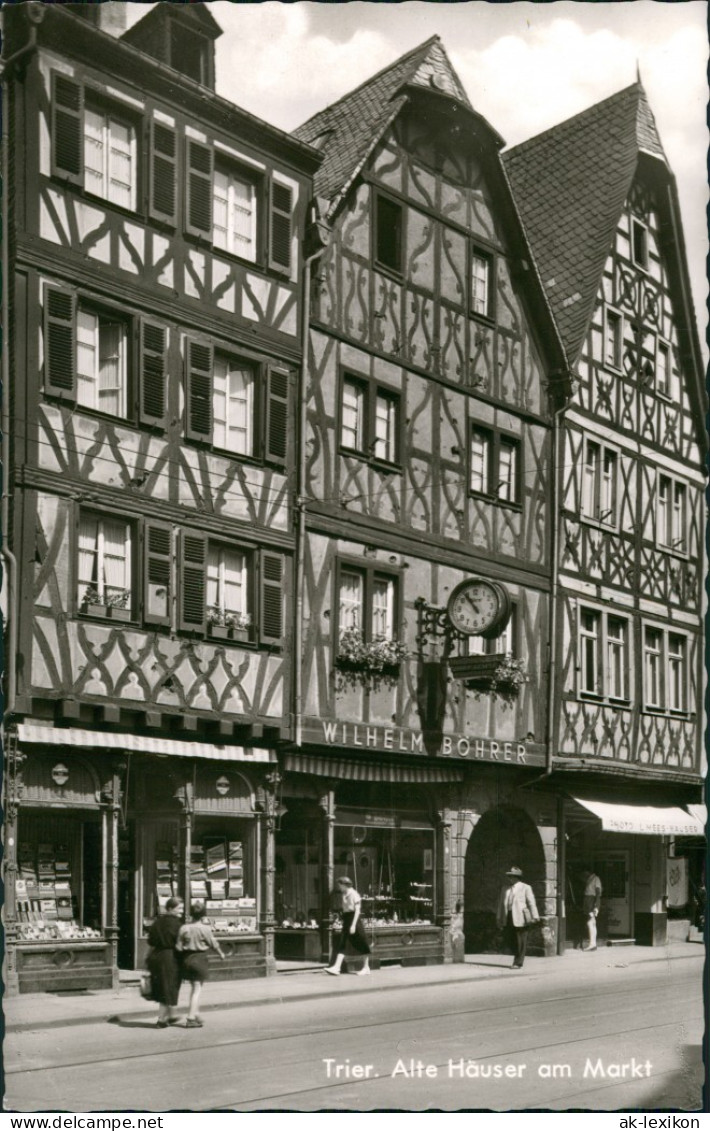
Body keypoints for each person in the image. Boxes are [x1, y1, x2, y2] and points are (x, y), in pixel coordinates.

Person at [176, 901, 225, 1027]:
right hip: (200, 959)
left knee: (193, 987)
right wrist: (221, 954)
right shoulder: (205, 929)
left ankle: (196, 1013)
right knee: (197, 989)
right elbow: (213, 944)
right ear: (203, 915)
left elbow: (178, 947)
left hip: (186, 959)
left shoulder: (184, 928)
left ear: (191, 914)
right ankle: (191, 1018)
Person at [146, 896, 184, 1028]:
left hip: (157, 956)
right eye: (179, 908)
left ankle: (168, 1016)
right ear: (170, 908)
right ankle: (163, 1019)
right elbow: (180, 943)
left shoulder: (157, 922)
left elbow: (150, 941)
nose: (181, 911)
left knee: (164, 987)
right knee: (169, 987)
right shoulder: (177, 924)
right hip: (170, 958)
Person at [325, 876, 371, 976]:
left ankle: (366, 967)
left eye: (340, 885)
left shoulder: (354, 894)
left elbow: (357, 910)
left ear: (345, 885)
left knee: (362, 942)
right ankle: (336, 967)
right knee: (343, 943)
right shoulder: (344, 894)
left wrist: (353, 925)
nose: (339, 887)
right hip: (347, 919)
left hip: (354, 919)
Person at [496, 865, 540, 969]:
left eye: (512, 876)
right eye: (509, 876)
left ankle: (518, 962)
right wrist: (498, 917)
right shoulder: (505, 888)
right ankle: (517, 958)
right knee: (510, 939)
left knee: (521, 940)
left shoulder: (526, 887)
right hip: (509, 916)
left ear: (517, 877)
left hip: (521, 917)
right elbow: (500, 904)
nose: (510, 878)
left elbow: (531, 902)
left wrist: (535, 916)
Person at [581, 868, 603, 951]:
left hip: (591, 901)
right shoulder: (589, 879)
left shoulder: (595, 879)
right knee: (593, 922)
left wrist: (596, 906)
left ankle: (592, 943)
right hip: (589, 901)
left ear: (588, 871)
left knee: (590, 922)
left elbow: (598, 893)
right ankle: (593, 943)